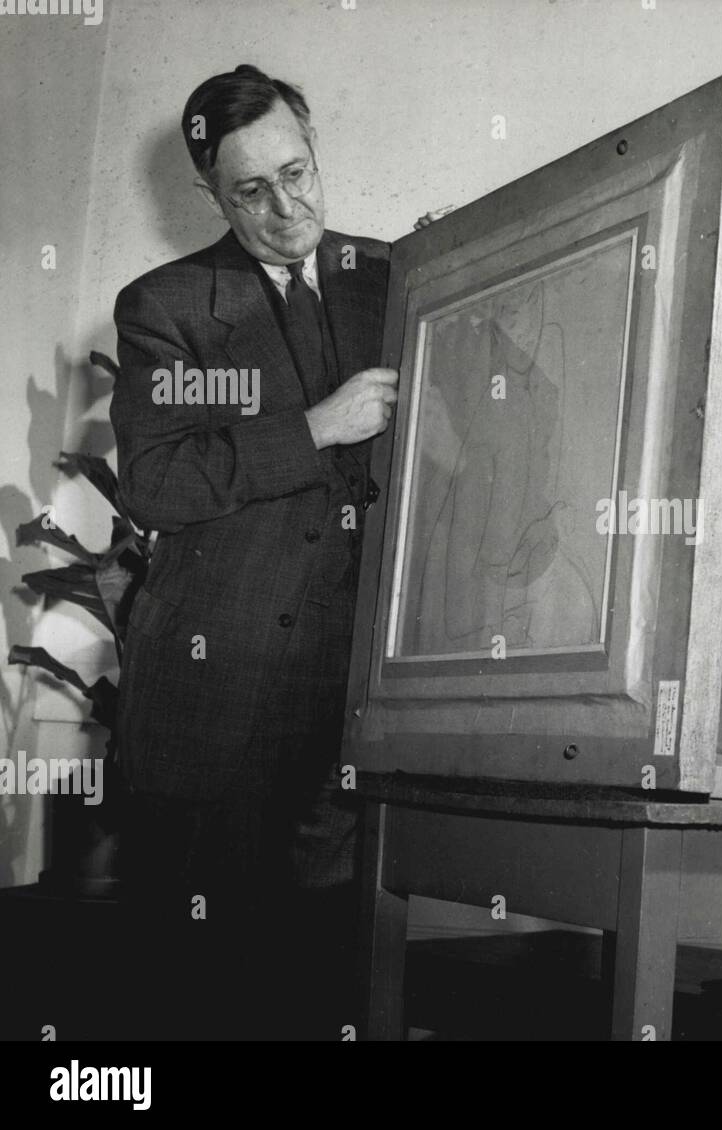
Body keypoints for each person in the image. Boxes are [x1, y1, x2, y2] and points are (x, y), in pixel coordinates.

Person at [110, 64, 407, 1039]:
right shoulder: (171, 305)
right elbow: (158, 479)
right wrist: (315, 425)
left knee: (323, 980)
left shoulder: (398, 277)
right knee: (195, 986)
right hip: (215, 690)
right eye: (252, 191)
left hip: (352, 700)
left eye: (299, 170)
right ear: (211, 193)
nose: (288, 208)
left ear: (314, 144)